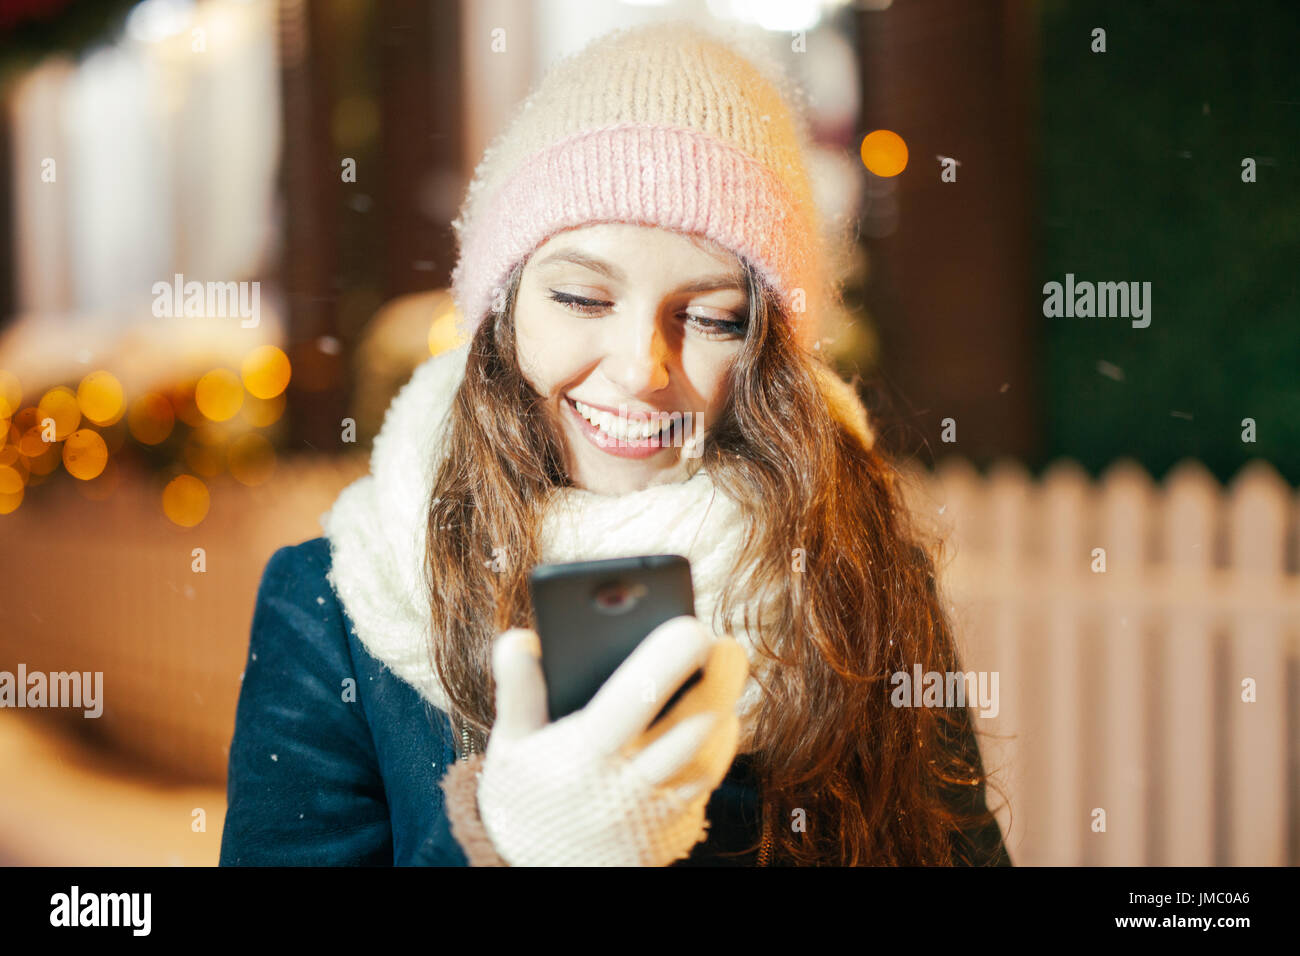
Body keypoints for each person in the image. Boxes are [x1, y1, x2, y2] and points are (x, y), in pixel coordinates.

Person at [219, 19, 1012, 867]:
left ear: (770, 351)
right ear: (503, 308)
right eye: (583, 299)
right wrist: (522, 851)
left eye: (711, 318)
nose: (641, 370)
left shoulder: (858, 568)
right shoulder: (335, 604)